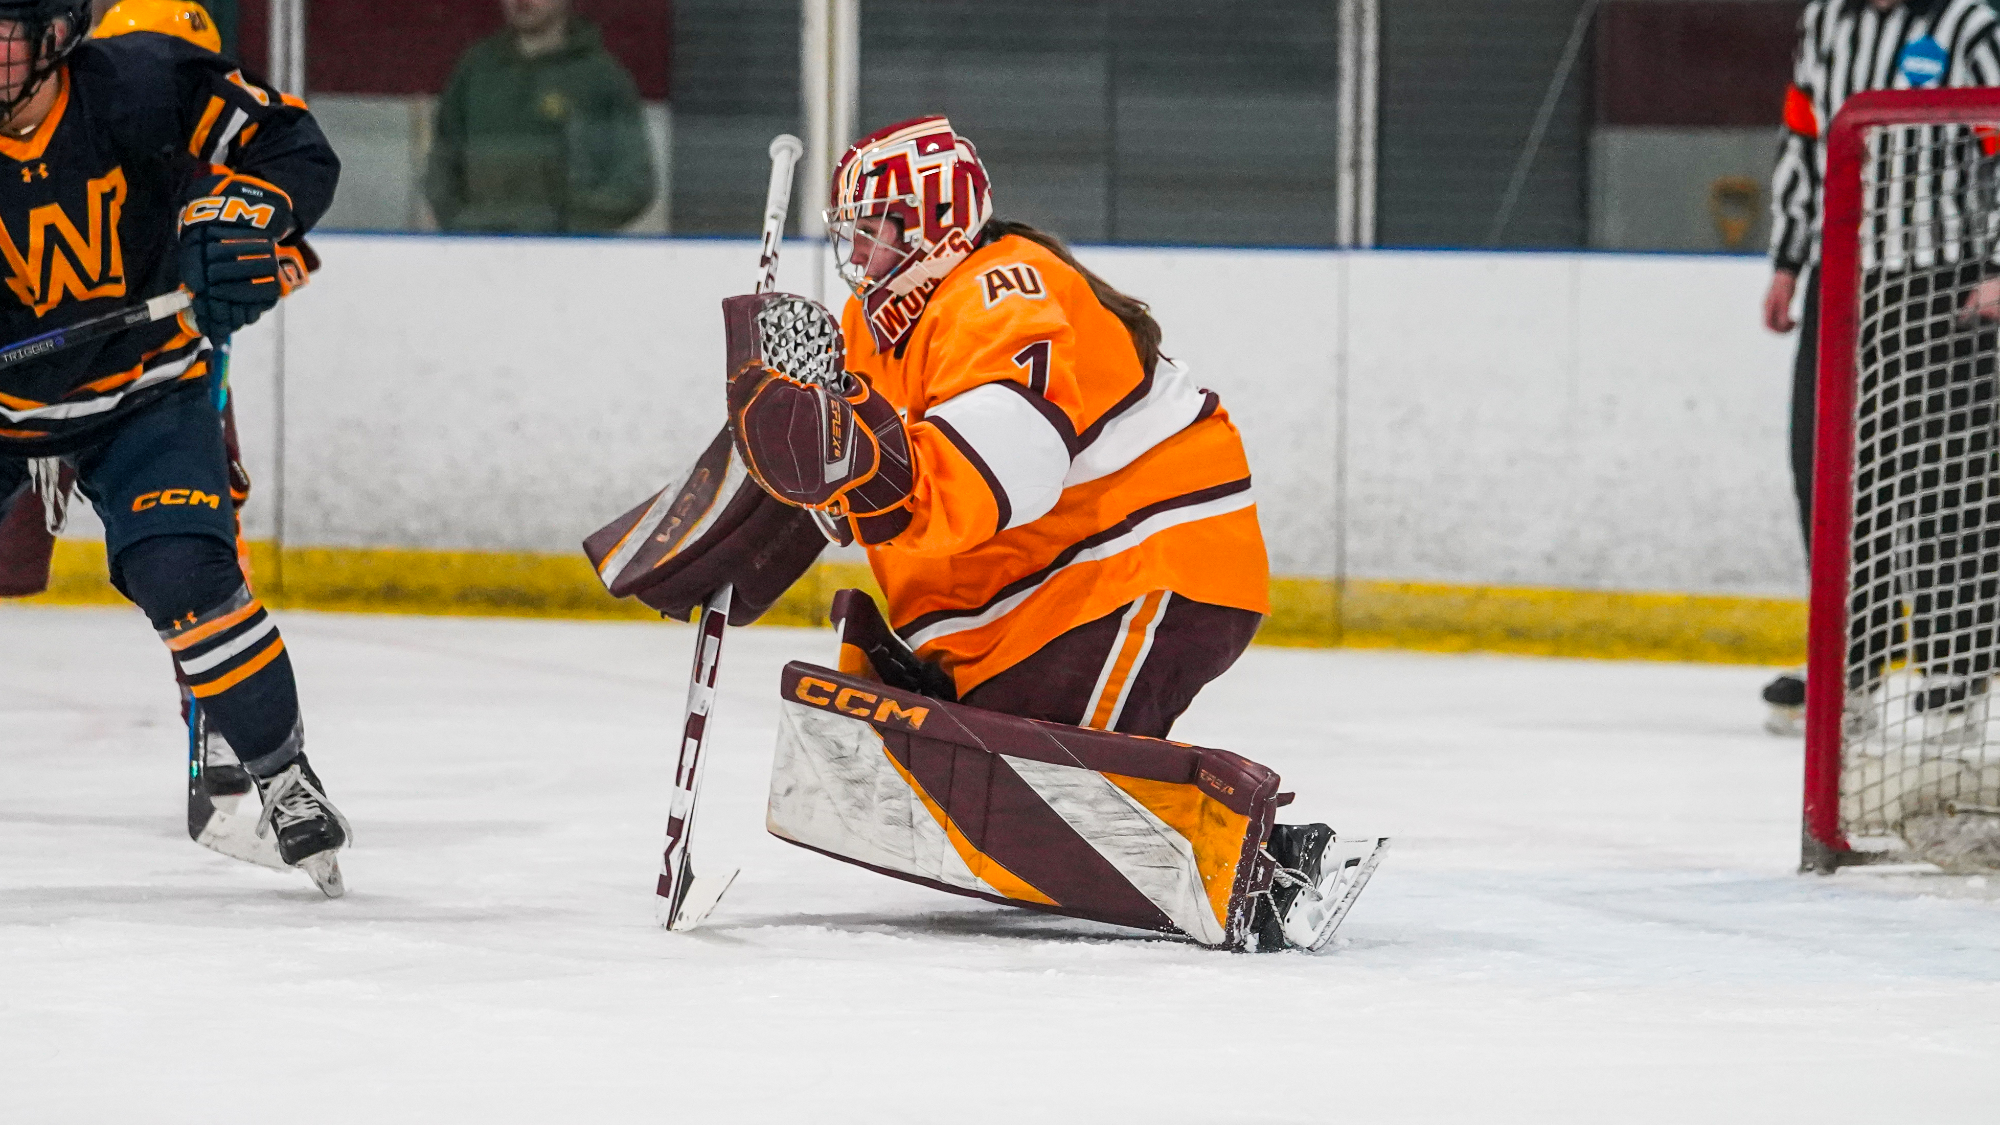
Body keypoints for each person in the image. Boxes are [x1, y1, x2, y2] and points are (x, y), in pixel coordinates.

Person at [725, 116, 1373, 949]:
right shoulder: (871, 331)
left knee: (1042, 787)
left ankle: (1278, 875)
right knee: (972, 770)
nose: (860, 252)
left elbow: (1006, 471)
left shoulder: (1005, 287)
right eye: (852, 232)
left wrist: (849, 456)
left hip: (1145, 569)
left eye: (878, 229)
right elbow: (855, 491)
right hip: (1039, 602)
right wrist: (772, 478)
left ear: (936, 226)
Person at [0, 0, 347, 893]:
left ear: (56, 37)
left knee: (187, 573)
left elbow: (292, 149)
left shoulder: (140, 86)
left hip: (144, 389)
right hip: (6, 409)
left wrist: (244, 223)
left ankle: (279, 771)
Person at [1760, 0, 2000, 734]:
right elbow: (1804, 133)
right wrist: (1788, 259)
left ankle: (1956, 669)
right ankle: (1849, 668)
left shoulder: (1969, 23)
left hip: (1946, 282)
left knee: (1944, 474)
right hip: (1845, 279)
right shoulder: (1829, 19)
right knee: (1830, 469)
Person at [423, 0, 655, 234]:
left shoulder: (601, 77)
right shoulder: (475, 69)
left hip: (571, 258)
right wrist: (463, 225)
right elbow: (442, 161)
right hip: (481, 253)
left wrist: (569, 228)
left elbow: (633, 182)